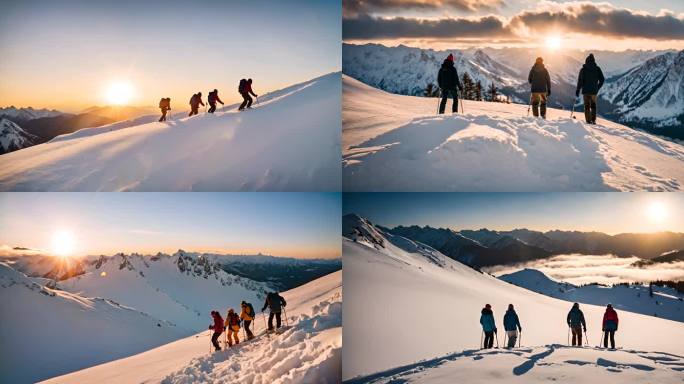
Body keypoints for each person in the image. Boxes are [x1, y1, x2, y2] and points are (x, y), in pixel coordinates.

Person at [575, 53, 605, 124]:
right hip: (594, 91)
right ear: (594, 61)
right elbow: (602, 79)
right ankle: (593, 120)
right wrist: (597, 87)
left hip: (585, 91)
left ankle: (588, 121)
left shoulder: (583, 70)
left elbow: (580, 81)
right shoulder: (597, 69)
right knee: (593, 106)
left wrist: (578, 90)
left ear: (586, 61)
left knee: (587, 106)